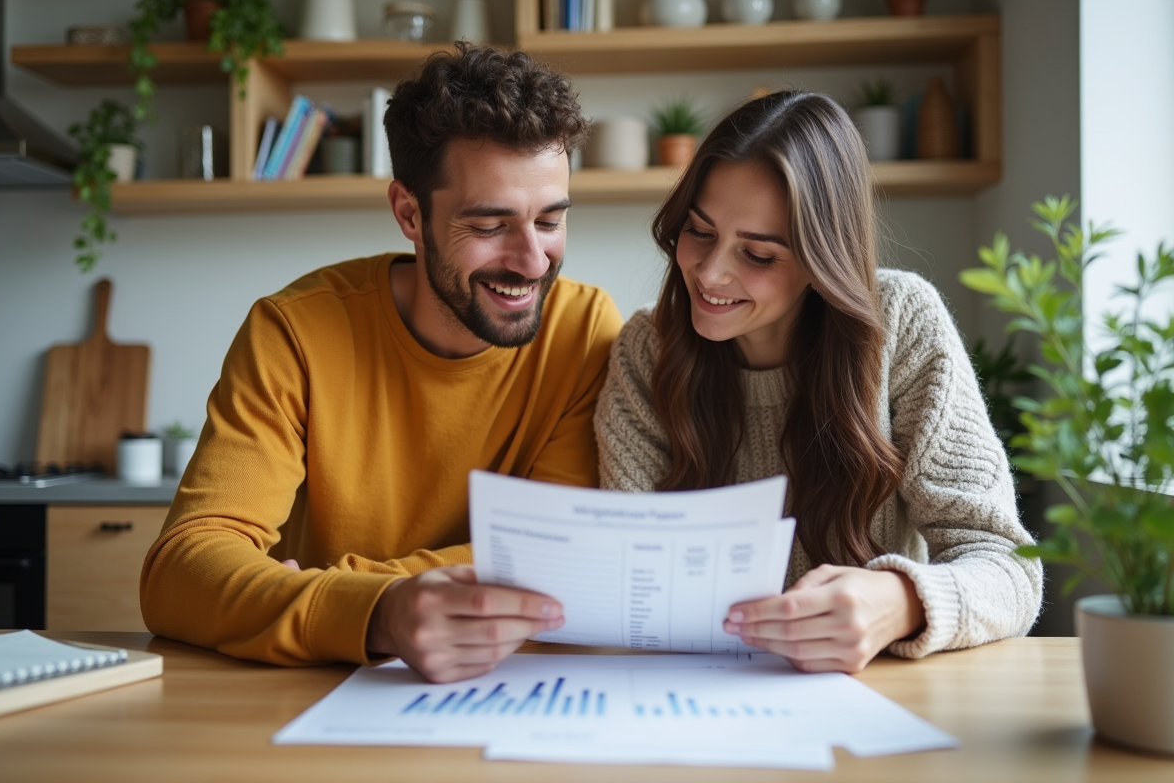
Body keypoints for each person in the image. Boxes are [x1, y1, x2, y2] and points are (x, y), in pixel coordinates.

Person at [140, 44, 622, 683]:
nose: (533, 261)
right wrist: (381, 615)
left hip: (510, 687)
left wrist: (335, 593)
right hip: (314, 690)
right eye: (490, 225)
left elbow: (556, 559)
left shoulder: (583, 331)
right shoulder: (296, 331)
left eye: (551, 220)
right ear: (409, 214)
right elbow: (180, 571)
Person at [594, 90, 1042, 674]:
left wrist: (901, 601)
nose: (710, 271)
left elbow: (1009, 566)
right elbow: (626, 574)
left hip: (875, 693)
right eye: (699, 231)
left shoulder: (903, 324)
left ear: (821, 260)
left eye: (757, 254)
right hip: (696, 694)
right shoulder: (646, 352)